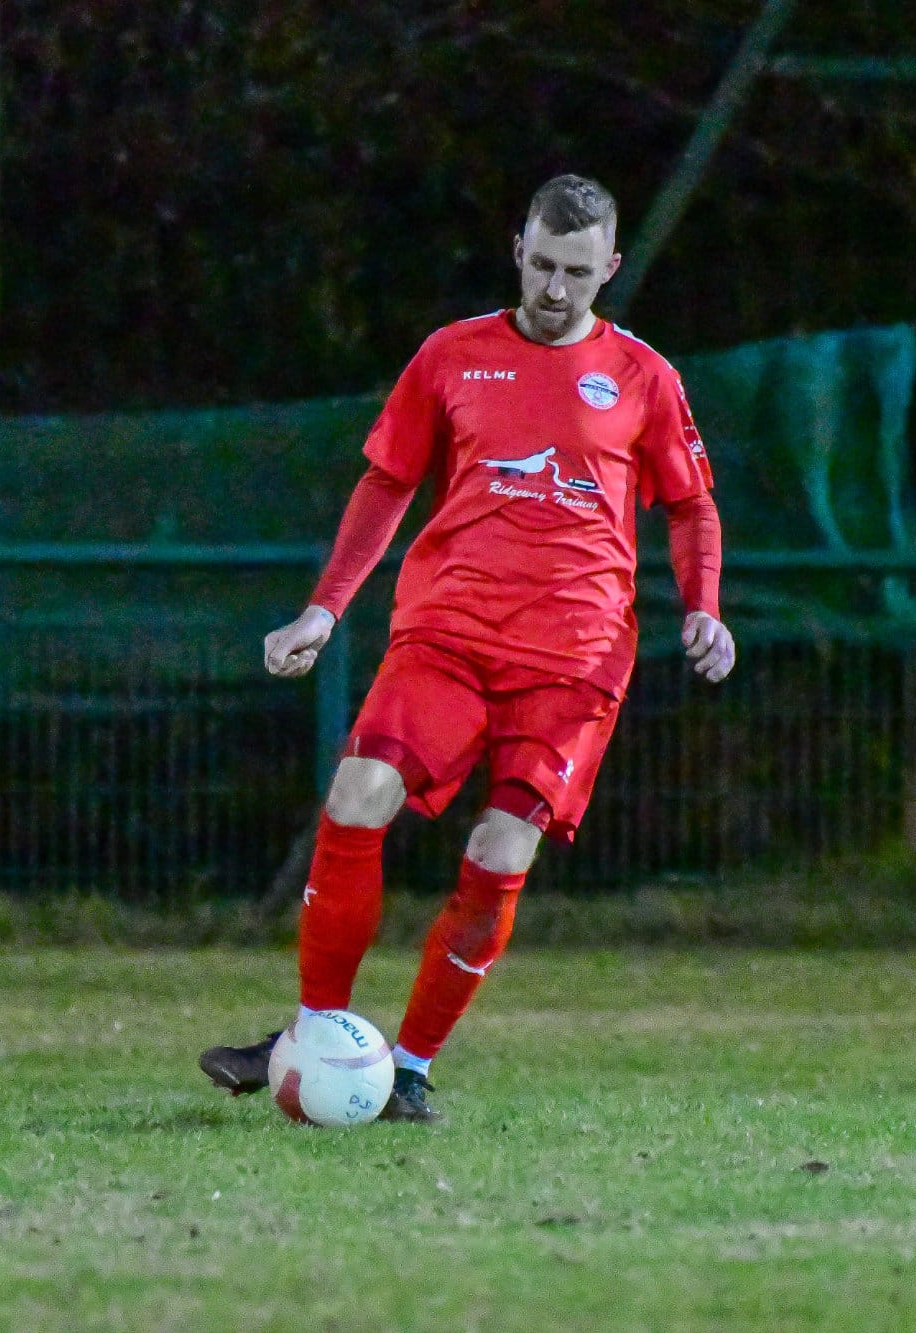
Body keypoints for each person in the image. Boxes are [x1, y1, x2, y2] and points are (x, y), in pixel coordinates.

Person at [199, 174, 734, 1123]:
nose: (556, 288)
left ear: (610, 268)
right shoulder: (453, 355)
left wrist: (706, 608)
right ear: (517, 249)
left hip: (573, 660)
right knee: (358, 794)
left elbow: (692, 505)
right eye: (543, 264)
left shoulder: (644, 376)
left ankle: (408, 1069)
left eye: (578, 272)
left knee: (498, 849)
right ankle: (315, 1032)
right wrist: (323, 610)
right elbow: (387, 482)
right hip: (447, 632)